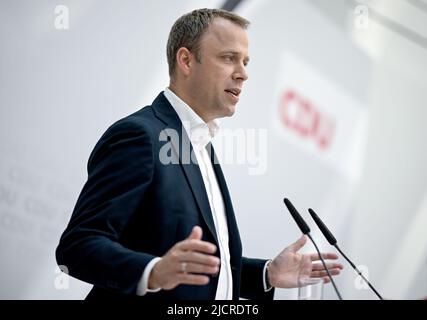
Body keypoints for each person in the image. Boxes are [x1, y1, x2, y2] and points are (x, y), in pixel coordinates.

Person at [56, 8, 343, 300]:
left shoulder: (203, 145)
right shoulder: (140, 136)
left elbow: (199, 269)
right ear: (186, 60)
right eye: (229, 58)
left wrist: (266, 274)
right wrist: (153, 272)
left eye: (244, 62)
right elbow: (78, 246)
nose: (243, 74)